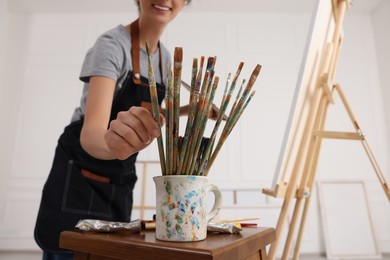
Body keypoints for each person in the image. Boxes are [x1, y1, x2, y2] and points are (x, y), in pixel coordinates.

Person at [34, 0, 191, 259]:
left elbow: (148, 112)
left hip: (119, 176)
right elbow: (92, 132)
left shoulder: (164, 59)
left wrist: (188, 109)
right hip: (81, 174)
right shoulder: (112, 45)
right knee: (70, 251)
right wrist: (115, 146)